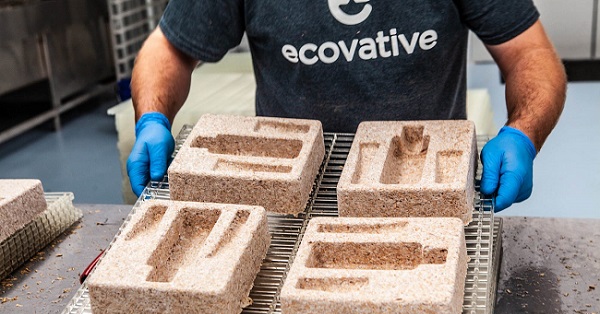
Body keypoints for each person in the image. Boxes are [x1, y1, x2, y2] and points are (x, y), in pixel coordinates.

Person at [126, 0, 566, 212]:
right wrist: (151, 117)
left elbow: (529, 54)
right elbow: (170, 49)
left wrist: (522, 133)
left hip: (424, 190)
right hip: (289, 197)